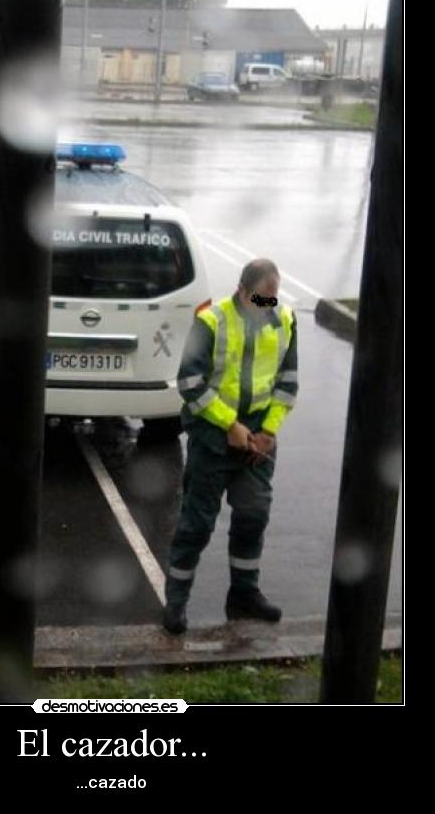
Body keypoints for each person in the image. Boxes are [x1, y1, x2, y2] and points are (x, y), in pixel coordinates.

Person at [162, 259, 298, 635]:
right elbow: (190, 383)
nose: (268, 303)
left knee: (253, 517)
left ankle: (244, 597)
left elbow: (288, 383)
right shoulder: (212, 321)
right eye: (261, 296)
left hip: (258, 441)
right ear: (242, 291)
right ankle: (176, 602)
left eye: (273, 296)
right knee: (197, 525)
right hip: (213, 438)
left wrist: (268, 432)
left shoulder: (283, 318)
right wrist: (230, 425)